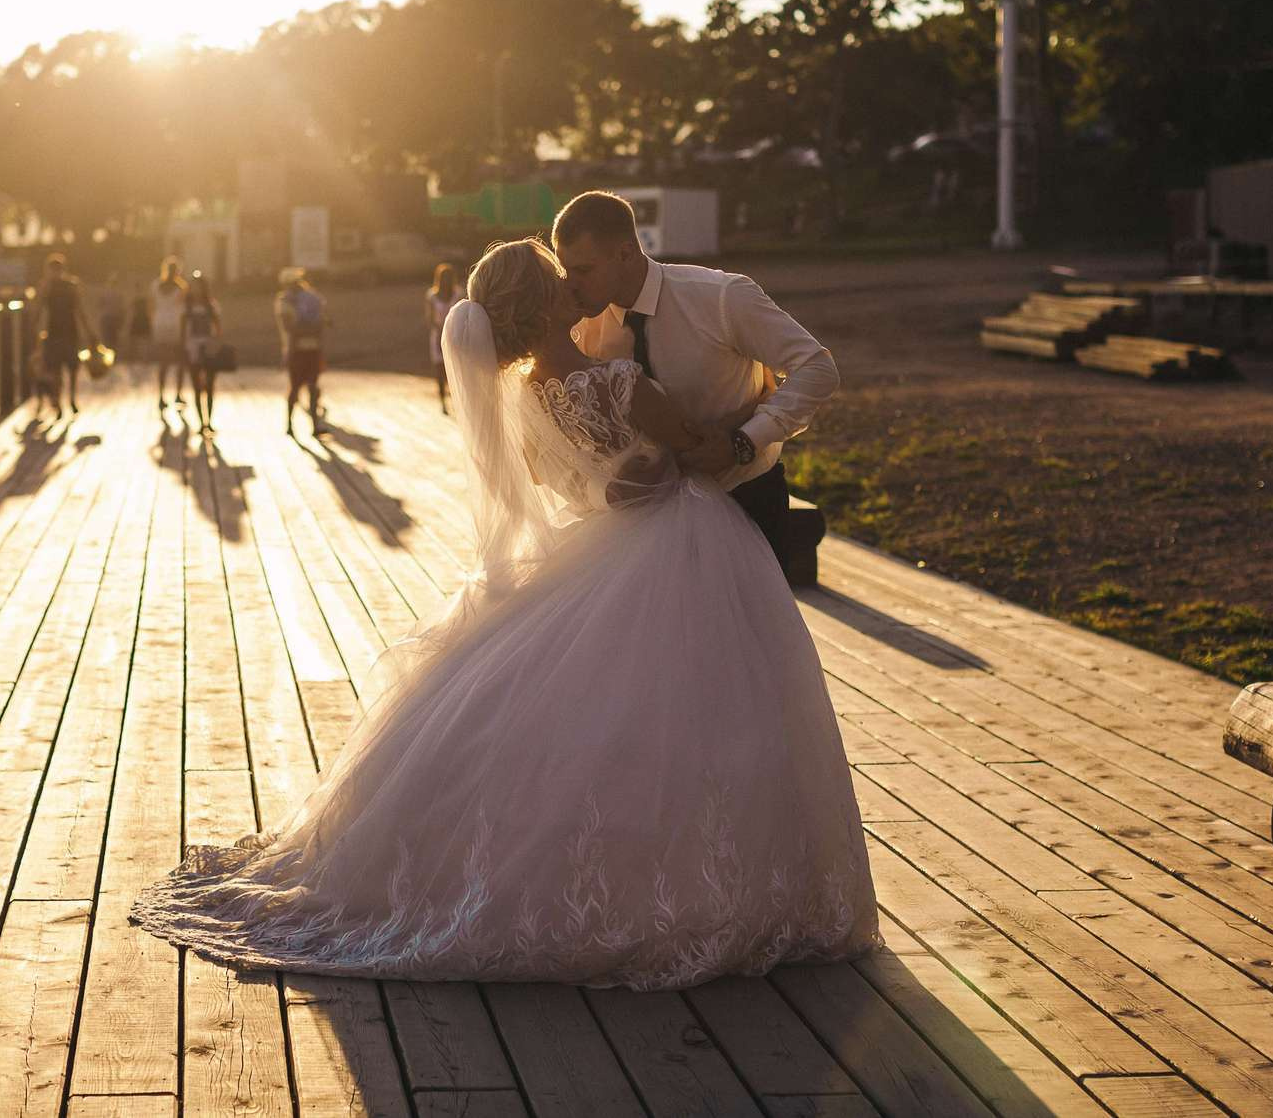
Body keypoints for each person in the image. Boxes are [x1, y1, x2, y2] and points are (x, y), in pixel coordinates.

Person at [131, 237, 876, 988]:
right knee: (713, 711)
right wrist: (745, 414)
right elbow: (698, 449)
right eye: (560, 277)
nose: (572, 282)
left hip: (603, 545)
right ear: (543, 300)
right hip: (686, 540)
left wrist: (619, 484)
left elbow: (576, 483)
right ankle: (709, 881)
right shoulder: (620, 380)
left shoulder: (522, 398)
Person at [555, 190, 838, 569]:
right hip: (642, 522)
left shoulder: (720, 297)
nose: (570, 285)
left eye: (584, 270)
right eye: (565, 271)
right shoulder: (579, 325)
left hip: (745, 497)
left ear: (624, 252)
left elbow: (817, 368)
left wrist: (744, 441)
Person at [32, 253, 93, 415]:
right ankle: (60, 401)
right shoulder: (52, 287)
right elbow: (39, 309)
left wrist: (88, 331)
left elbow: (79, 310)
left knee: (69, 369)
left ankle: (68, 399)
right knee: (58, 369)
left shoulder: (66, 286)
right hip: (57, 332)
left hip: (65, 331)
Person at [275, 267, 327, 437]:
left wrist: (307, 328)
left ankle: (315, 425)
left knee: (312, 387)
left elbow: (319, 325)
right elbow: (290, 328)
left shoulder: (312, 300)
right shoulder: (284, 303)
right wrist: (310, 328)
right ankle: (289, 423)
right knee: (295, 388)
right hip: (295, 351)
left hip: (312, 349)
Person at [181, 272, 223, 435]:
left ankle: (209, 420)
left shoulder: (211, 306)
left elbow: (218, 329)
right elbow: (183, 329)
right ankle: (201, 421)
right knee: (197, 386)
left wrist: (216, 343)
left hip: (208, 345)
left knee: (210, 386)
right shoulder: (187, 307)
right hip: (192, 346)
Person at [423, 262, 464, 413]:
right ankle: (443, 402)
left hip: (454, 334)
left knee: (455, 369)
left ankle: (457, 400)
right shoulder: (432, 296)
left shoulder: (458, 294)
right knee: (440, 369)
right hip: (438, 334)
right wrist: (440, 329)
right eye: (444, 278)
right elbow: (430, 318)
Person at [149, 258, 188, 412]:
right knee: (180, 361)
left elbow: (151, 307)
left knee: (163, 362)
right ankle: (178, 393)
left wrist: (154, 322)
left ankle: (161, 395)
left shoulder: (155, 286)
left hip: (160, 324)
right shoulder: (182, 287)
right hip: (176, 324)